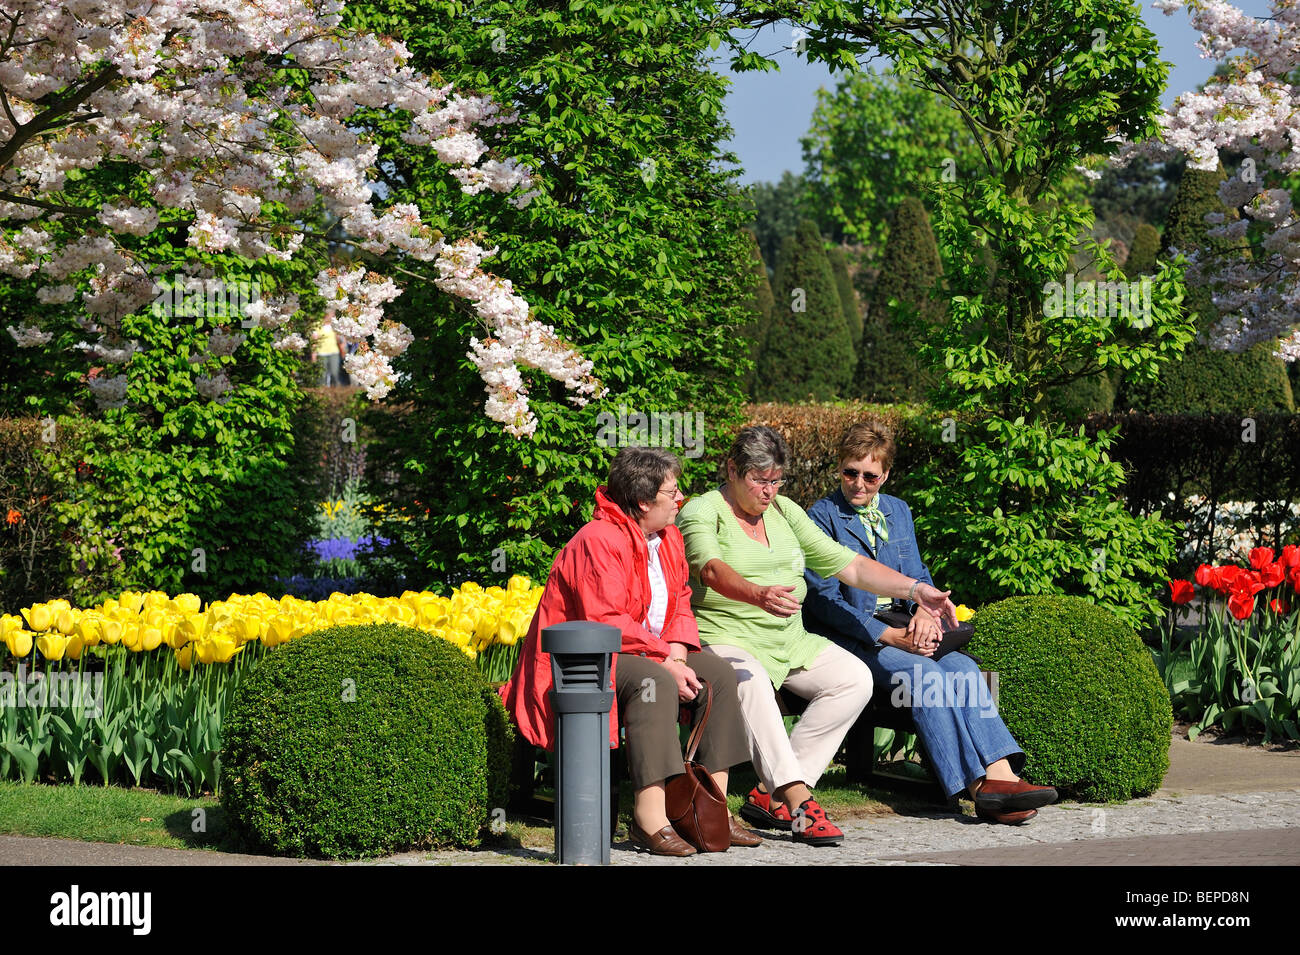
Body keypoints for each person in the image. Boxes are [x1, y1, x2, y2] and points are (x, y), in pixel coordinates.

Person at [676, 426, 960, 846]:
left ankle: (770, 793)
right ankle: (796, 800)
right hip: (727, 637)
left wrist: (918, 591)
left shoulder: (786, 512)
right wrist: (757, 594)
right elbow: (711, 569)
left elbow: (852, 566)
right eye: (759, 479)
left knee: (854, 678)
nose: (768, 491)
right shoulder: (702, 511)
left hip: (790, 640)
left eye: (776, 480)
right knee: (749, 681)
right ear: (733, 469)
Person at [502, 447, 760, 856]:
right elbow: (606, 621)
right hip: (582, 662)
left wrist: (676, 655)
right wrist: (665, 662)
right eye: (672, 492)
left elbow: (680, 599)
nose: (680, 499)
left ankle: (709, 811)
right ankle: (650, 819)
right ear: (643, 502)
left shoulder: (668, 536)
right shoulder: (598, 540)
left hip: (647, 649)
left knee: (721, 676)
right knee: (652, 682)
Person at [802, 419, 1058, 824]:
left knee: (965, 668)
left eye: (870, 476)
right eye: (850, 472)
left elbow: (919, 575)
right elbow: (823, 601)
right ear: (839, 468)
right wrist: (889, 635)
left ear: (885, 475)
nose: (858, 484)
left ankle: (1002, 775)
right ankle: (979, 791)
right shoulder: (821, 517)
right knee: (924, 678)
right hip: (856, 640)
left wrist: (925, 610)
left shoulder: (898, 511)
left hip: (908, 627)